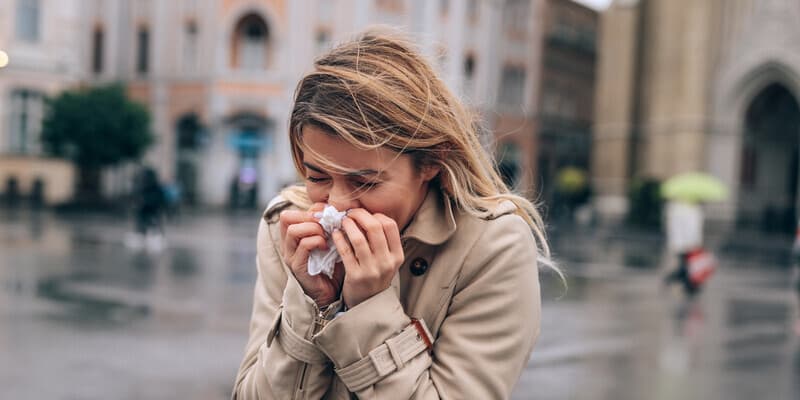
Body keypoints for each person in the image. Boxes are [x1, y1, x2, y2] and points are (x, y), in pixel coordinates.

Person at [232, 29, 557, 399]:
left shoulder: (493, 248)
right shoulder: (286, 228)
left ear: (431, 162)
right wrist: (311, 305)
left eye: (365, 182)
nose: (336, 204)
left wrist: (370, 306)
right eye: (317, 176)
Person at [663, 199, 704, 296]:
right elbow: (693, 229)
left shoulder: (676, 208)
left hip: (683, 244)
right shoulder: (691, 210)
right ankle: (688, 285)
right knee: (687, 266)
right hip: (687, 244)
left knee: (687, 266)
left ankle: (688, 285)